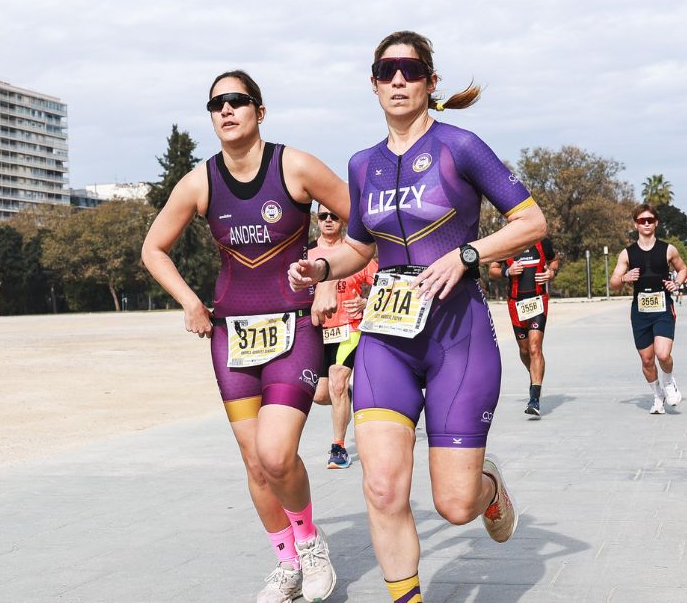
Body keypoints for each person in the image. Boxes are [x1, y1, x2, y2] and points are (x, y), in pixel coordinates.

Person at [288, 31, 546, 602]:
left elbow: (532, 222)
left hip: (458, 335)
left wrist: (467, 254)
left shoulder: (461, 146)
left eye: (410, 69)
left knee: (454, 505)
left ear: (431, 82)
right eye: (387, 70)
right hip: (386, 339)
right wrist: (320, 267)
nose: (399, 79)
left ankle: (488, 487)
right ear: (373, 84)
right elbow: (360, 247)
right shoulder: (362, 164)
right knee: (382, 488)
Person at [141, 70, 349, 603]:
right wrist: (190, 301)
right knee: (255, 461)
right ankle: (287, 564)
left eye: (237, 100)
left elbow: (364, 225)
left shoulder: (294, 166)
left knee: (276, 454)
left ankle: (311, 543)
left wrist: (328, 273)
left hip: (294, 328)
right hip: (231, 336)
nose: (226, 110)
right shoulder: (199, 182)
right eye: (217, 104)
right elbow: (153, 248)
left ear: (259, 110)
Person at [307, 204, 378, 469]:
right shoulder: (307, 255)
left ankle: (338, 448)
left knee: (337, 382)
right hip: (318, 332)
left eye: (334, 216)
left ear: (343, 221)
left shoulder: (355, 254)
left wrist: (366, 302)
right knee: (319, 394)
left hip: (349, 329)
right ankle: (345, 396)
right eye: (322, 216)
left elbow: (385, 284)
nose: (328, 220)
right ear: (316, 220)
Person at [609, 204, 687, 414]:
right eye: (642, 220)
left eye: (650, 220)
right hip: (640, 311)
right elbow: (614, 282)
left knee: (662, 354)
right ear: (636, 224)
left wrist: (677, 283)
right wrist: (624, 278)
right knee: (646, 360)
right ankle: (657, 395)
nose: (646, 223)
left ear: (656, 223)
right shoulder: (627, 254)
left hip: (663, 308)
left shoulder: (668, 249)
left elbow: (683, 269)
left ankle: (669, 382)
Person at [488, 238, 559, 417]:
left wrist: (551, 272)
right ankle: (534, 374)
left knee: (535, 347)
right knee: (525, 350)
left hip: (538, 300)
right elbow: (492, 270)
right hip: (515, 303)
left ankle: (534, 398)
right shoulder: (506, 243)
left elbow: (554, 260)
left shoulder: (542, 242)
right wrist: (507, 271)